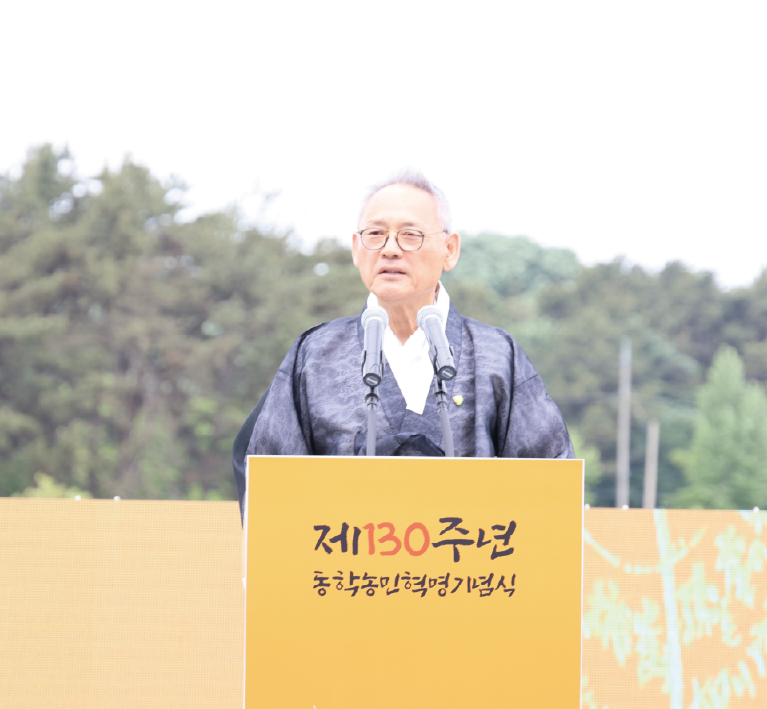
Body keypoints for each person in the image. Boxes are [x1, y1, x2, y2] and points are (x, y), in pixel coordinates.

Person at [233, 171, 573, 507]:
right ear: (356, 249)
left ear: (450, 250)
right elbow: (268, 480)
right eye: (375, 234)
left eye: (410, 235)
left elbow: (549, 483)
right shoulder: (316, 354)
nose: (390, 249)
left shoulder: (497, 355)